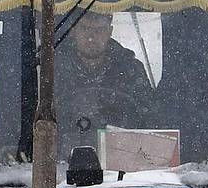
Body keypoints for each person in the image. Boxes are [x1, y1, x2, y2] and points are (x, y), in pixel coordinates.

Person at [54, 11, 155, 152]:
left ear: (110, 31)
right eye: (85, 28)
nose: (91, 37)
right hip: (57, 164)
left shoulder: (131, 70)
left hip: (122, 162)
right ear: (73, 30)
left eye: (99, 30)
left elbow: (149, 122)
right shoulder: (51, 70)